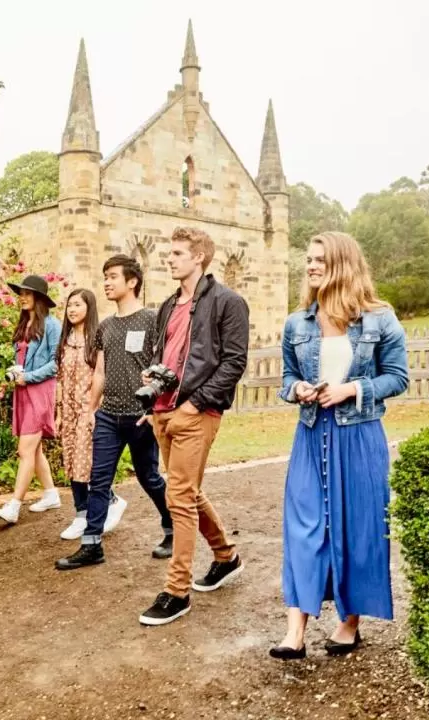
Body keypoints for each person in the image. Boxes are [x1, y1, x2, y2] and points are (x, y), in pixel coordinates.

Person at [269, 232, 408, 660]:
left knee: (358, 528)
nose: (310, 266)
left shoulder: (380, 319)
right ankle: (295, 631)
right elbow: (286, 380)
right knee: (304, 527)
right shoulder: (297, 323)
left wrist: (351, 389)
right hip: (310, 435)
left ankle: (349, 623)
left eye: (319, 260)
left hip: (360, 437)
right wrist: (299, 391)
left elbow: (398, 377)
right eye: (308, 260)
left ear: (343, 264)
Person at [138, 227, 249, 627]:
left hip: (197, 413)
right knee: (187, 491)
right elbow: (161, 357)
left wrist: (193, 405)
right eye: (169, 252)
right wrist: (152, 402)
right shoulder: (168, 305)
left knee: (179, 498)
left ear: (199, 258)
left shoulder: (227, 302)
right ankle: (226, 556)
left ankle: (176, 591)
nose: (170, 258)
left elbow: (234, 363)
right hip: (163, 413)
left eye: (178, 252)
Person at [55, 255, 174, 571]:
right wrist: (92, 408)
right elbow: (100, 372)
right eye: (104, 277)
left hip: (141, 416)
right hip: (108, 415)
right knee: (98, 478)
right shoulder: (105, 326)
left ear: (132, 281)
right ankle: (92, 544)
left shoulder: (151, 320)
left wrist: (155, 410)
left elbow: (164, 367)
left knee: (149, 477)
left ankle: (171, 526)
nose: (106, 282)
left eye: (112, 277)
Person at [0, 275, 63, 524]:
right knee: (35, 449)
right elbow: (22, 358)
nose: (22, 297)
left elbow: (57, 363)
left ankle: (14, 505)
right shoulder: (25, 323)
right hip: (23, 390)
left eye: (27, 293)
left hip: (40, 391)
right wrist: (15, 371)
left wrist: (29, 376)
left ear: (39, 298)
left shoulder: (52, 325)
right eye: (21, 293)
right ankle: (51, 493)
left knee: (25, 450)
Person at [55, 288, 99, 540]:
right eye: (69, 305)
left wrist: (94, 409)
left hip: (88, 409)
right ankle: (81, 513)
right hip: (69, 411)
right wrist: (59, 413)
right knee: (71, 461)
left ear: (88, 308)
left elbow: (101, 378)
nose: (72, 310)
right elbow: (59, 380)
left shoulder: (95, 340)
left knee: (85, 461)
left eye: (78, 305)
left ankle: (91, 512)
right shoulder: (66, 340)